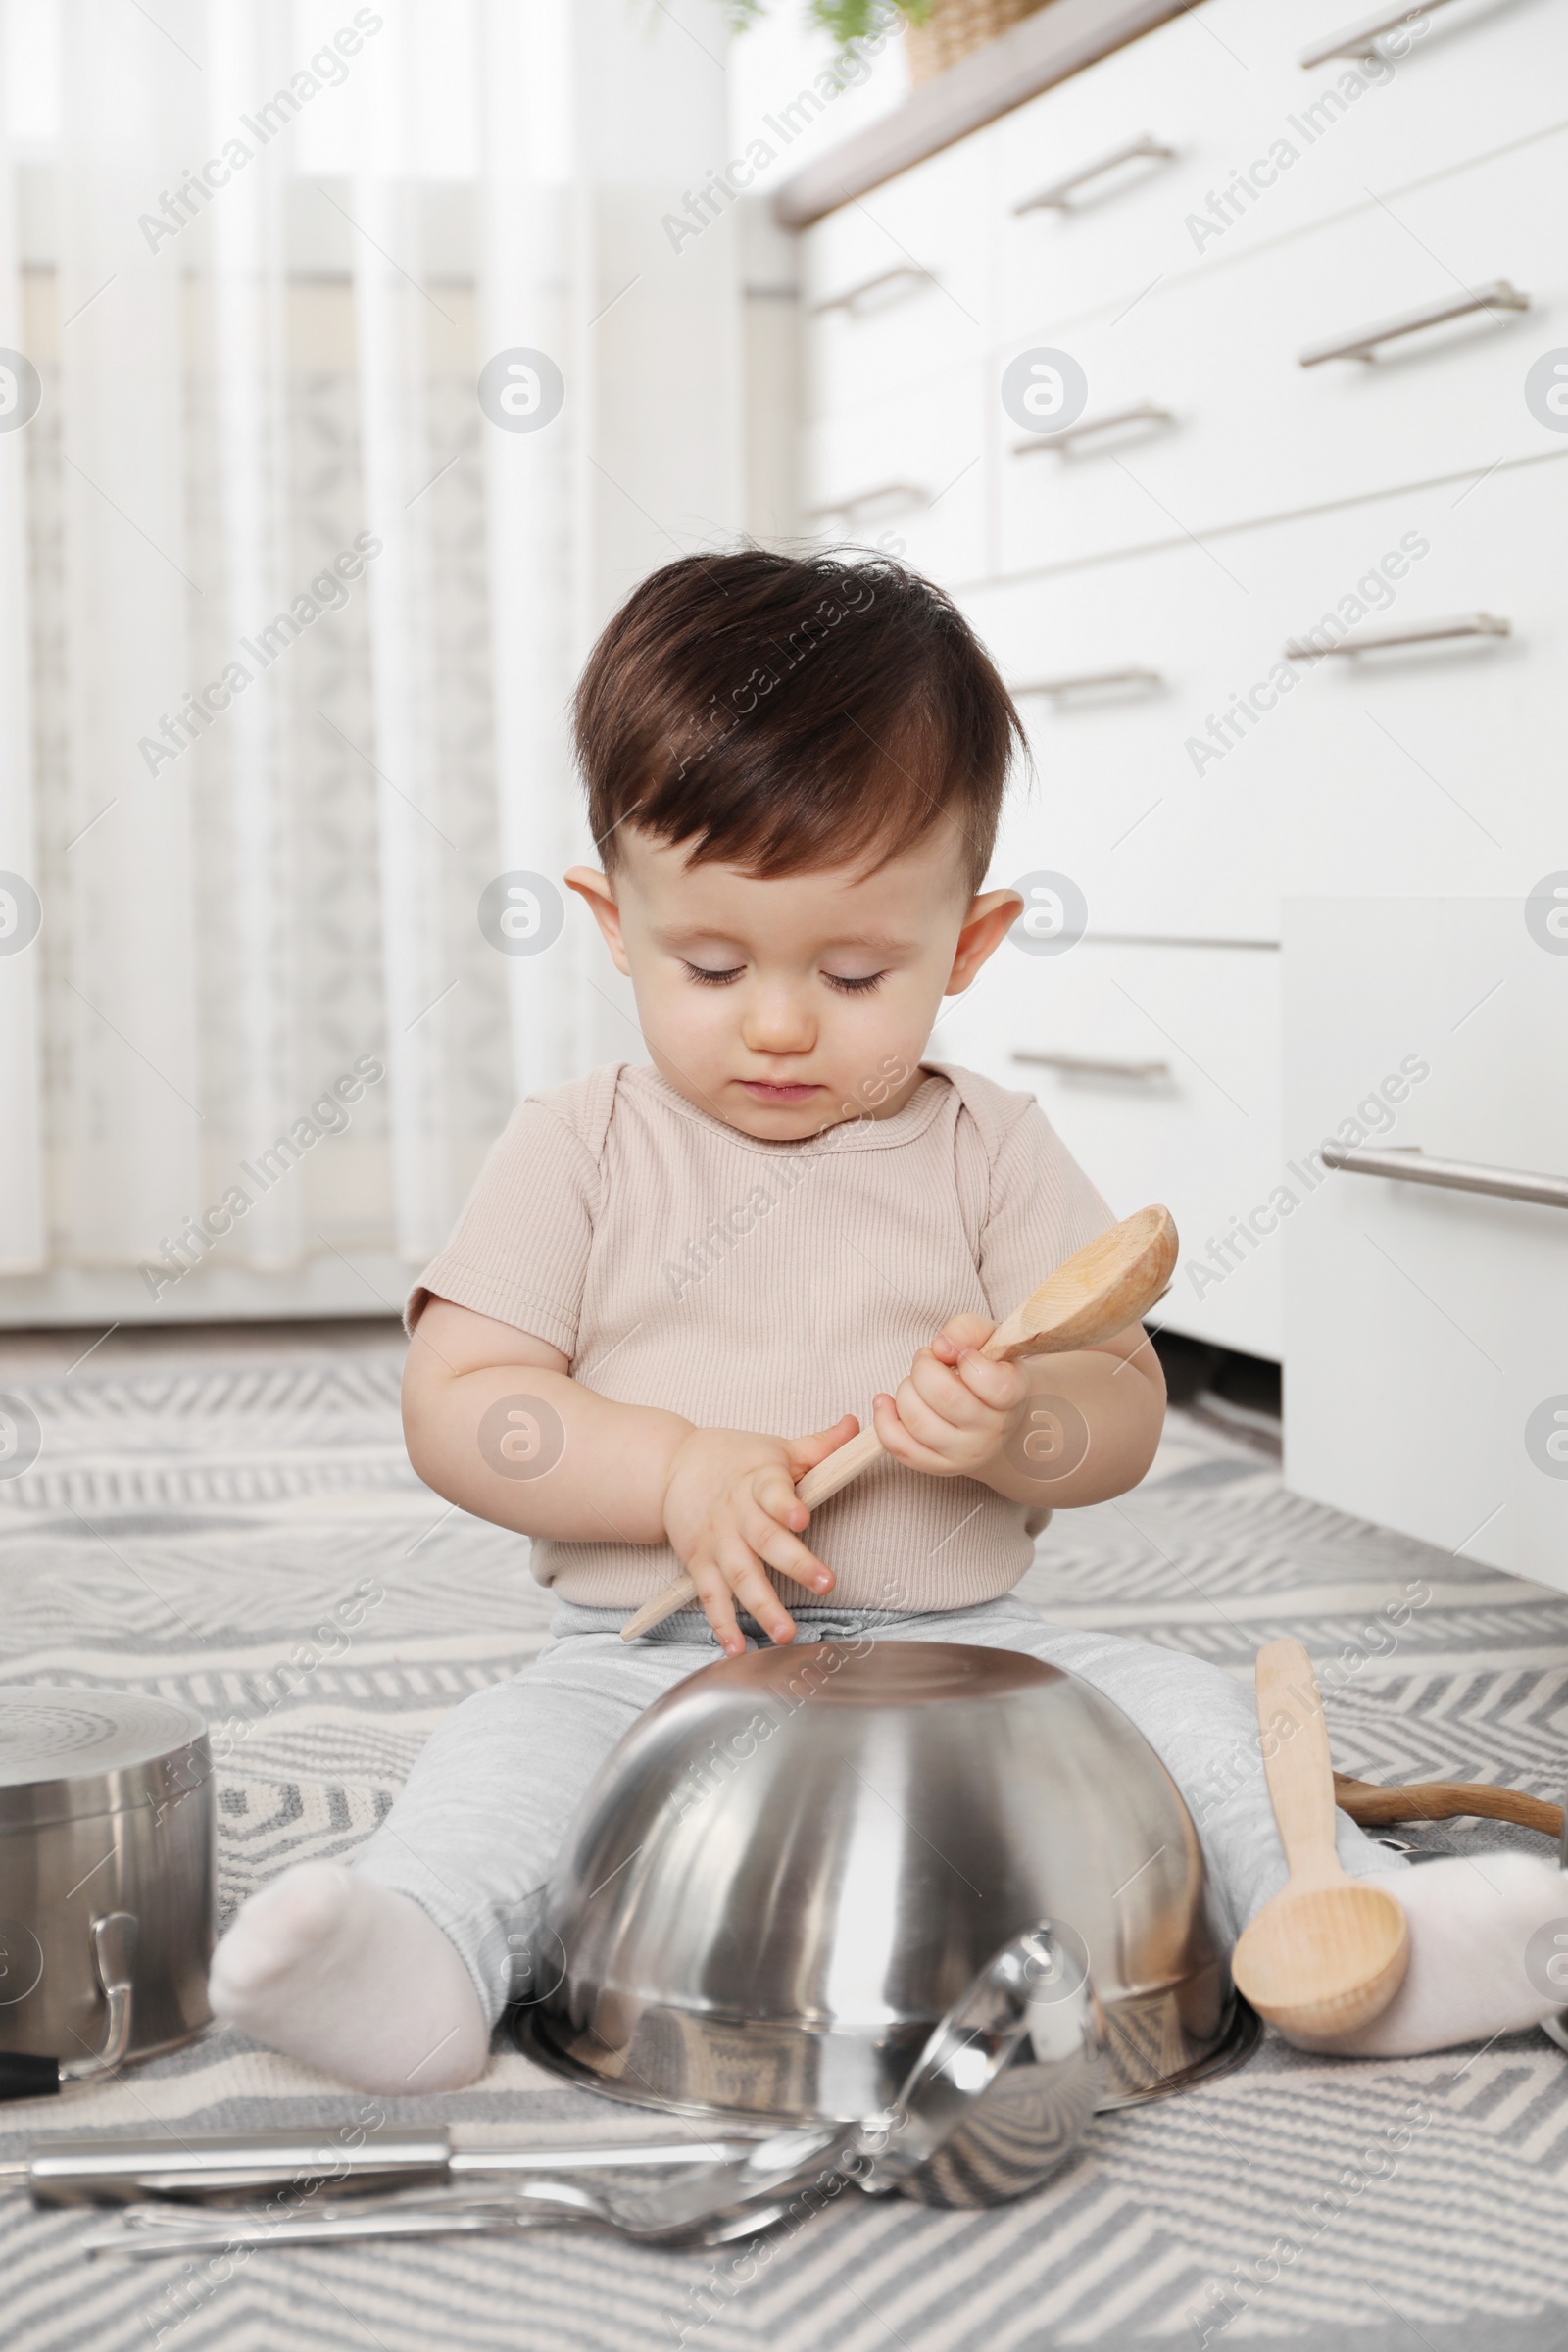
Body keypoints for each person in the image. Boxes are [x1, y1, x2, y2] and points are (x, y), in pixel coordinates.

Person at [210, 550, 1564, 2092]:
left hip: (974, 1651)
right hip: (644, 1666)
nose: (780, 1022)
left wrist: (1020, 1430)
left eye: (857, 971)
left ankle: (1355, 1928)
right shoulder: (577, 1144)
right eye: (710, 963)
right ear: (612, 922)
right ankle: (425, 1954)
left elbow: (1118, 1400)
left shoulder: (990, 1146)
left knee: (1197, 1726)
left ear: (970, 947)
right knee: (503, 1768)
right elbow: (464, 1403)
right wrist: (667, 1474)